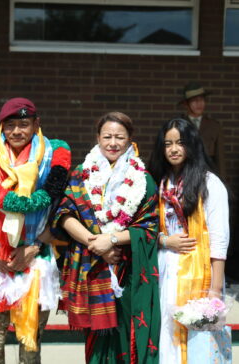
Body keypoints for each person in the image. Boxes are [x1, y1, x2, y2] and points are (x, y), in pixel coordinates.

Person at [52, 112, 160, 364]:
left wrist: (111, 241)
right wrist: (95, 243)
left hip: (129, 269)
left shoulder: (143, 179)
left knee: (128, 336)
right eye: (107, 136)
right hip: (92, 266)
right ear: (97, 138)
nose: (113, 142)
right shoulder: (81, 173)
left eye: (119, 137)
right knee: (97, 341)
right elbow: (64, 214)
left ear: (130, 140)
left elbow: (149, 227)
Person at [0, 97, 71, 363]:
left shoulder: (52, 157)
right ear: (1, 127)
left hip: (36, 259)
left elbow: (60, 212)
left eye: (24, 124)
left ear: (36, 124)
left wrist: (33, 247)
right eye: (10, 125)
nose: (16, 131)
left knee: (30, 347)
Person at [147, 118, 230, 364]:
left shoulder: (210, 184)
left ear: (192, 145)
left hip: (199, 275)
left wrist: (214, 291)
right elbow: (147, 229)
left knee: (197, 342)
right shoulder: (157, 183)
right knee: (165, 334)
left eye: (180, 143)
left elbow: (219, 241)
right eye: (168, 144)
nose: (174, 149)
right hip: (163, 270)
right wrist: (164, 241)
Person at [179, 82, 226, 177]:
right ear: (186, 104)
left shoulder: (214, 126)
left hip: (208, 174)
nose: (199, 103)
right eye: (194, 100)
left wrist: (222, 181)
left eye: (201, 99)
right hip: (184, 173)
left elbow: (220, 158)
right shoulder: (179, 125)